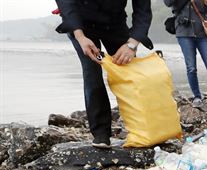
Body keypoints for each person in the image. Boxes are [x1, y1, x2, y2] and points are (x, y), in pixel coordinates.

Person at [55, 0, 152, 149]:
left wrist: (131, 45)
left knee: (129, 71)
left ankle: (144, 127)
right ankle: (101, 133)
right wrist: (80, 37)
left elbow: (143, 10)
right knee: (92, 71)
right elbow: (66, 3)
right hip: (82, 25)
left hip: (114, 22)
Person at [165, 0, 207, 107]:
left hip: (203, 32)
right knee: (191, 67)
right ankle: (197, 96)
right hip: (184, 33)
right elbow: (168, 3)